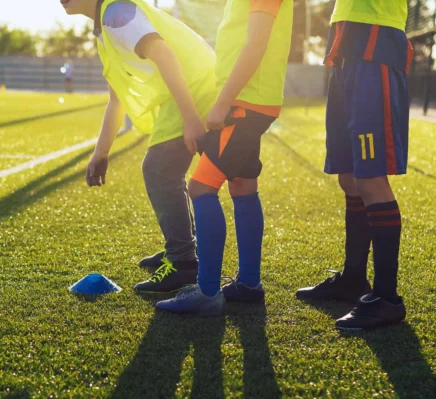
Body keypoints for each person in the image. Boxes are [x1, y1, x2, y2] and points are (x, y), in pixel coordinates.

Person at [61, 0, 217, 293]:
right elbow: (116, 99)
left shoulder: (116, 13)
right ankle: (182, 248)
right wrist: (101, 152)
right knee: (164, 170)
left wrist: (191, 118)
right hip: (193, 86)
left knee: (159, 170)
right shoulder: (105, 27)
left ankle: (183, 261)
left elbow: (164, 54)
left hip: (197, 87)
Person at [156, 0, 294, 316]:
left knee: (201, 188)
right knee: (242, 185)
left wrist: (223, 102)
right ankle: (248, 284)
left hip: (245, 102)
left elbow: (256, 43)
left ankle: (206, 292)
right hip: (250, 100)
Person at [295, 0, 413, 331]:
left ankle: (386, 298)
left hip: (375, 48)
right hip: (345, 49)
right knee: (348, 176)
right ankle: (353, 278)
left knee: (371, 178)